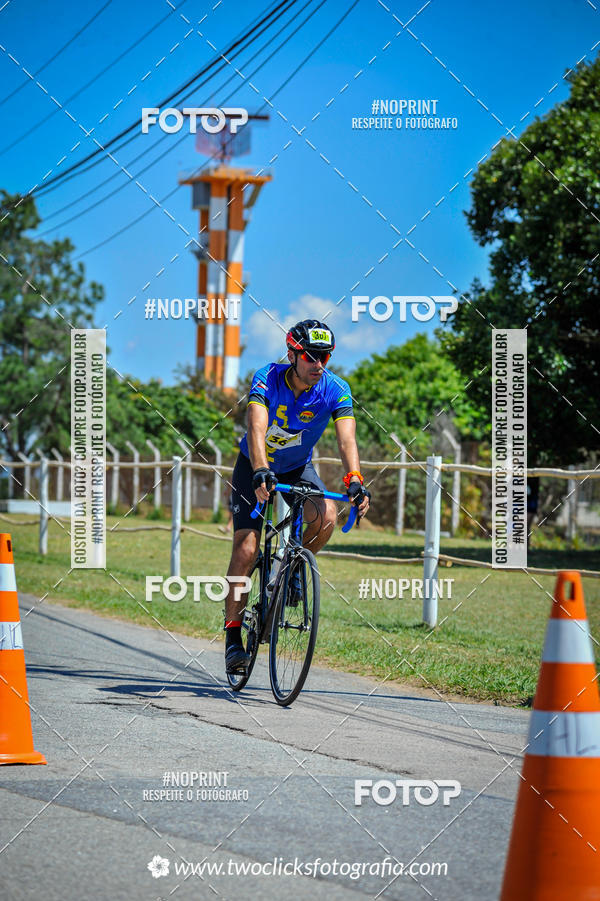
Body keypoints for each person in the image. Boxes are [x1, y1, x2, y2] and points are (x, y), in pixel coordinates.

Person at [224, 319, 371, 674]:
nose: (318, 364)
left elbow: (346, 440)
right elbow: (256, 427)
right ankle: (232, 638)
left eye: (325, 357)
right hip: (255, 465)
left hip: (296, 468)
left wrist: (355, 479)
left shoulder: (336, 389)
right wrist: (260, 469)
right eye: (310, 357)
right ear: (292, 354)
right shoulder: (267, 377)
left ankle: (291, 567)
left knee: (327, 517)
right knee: (246, 549)